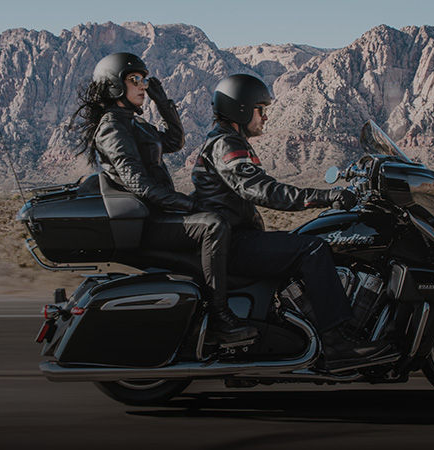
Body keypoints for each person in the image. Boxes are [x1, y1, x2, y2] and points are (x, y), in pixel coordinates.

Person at [191, 74, 386, 368]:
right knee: (313, 249)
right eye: (260, 109)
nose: (265, 117)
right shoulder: (226, 144)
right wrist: (324, 197)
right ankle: (336, 343)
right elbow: (261, 190)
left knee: (303, 240)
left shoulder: (226, 140)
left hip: (233, 237)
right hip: (233, 242)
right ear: (241, 109)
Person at [71, 53, 257, 344]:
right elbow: (138, 184)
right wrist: (188, 204)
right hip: (148, 218)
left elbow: (174, 141)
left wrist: (162, 103)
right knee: (213, 225)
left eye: (144, 79)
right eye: (134, 79)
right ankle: (220, 317)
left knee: (222, 207)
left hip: (157, 210)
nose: (142, 85)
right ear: (114, 85)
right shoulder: (112, 127)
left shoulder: (133, 122)